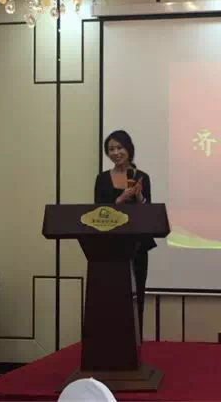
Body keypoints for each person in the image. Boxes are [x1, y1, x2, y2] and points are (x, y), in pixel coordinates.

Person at [94, 130, 156, 339]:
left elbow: (148, 213)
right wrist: (120, 200)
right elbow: (97, 214)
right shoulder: (102, 179)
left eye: (119, 147)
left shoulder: (141, 177)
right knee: (112, 294)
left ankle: (136, 340)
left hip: (138, 243)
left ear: (129, 149)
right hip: (111, 245)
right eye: (111, 149)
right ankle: (112, 339)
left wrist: (138, 197)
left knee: (137, 290)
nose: (115, 153)